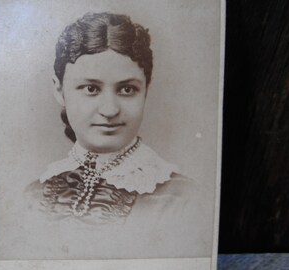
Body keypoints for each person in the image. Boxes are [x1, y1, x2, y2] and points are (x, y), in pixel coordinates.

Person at [25, 12, 208, 258]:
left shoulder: (183, 199)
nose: (110, 110)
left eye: (126, 89)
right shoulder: (32, 196)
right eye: (91, 89)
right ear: (59, 90)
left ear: (146, 90)